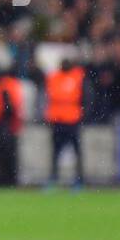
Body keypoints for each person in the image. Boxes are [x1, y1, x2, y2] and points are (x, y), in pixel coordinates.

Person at [45, 57, 85, 187]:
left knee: (76, 151)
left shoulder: (78, 76)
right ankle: (53, 178)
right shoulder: (54, 77)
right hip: (57, 120)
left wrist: (85, 113)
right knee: (56, 151)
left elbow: (86, 95)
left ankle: (79, 180)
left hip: (73, 119)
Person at [0, 68, 24, 186]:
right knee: (9, 155)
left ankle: (6, 180)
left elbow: (8, 107)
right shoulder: (13, 84)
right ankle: (10, 180)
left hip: (2, 125)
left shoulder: (4, 85)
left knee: (4, 156)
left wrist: (2, 124)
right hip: (9, 125)